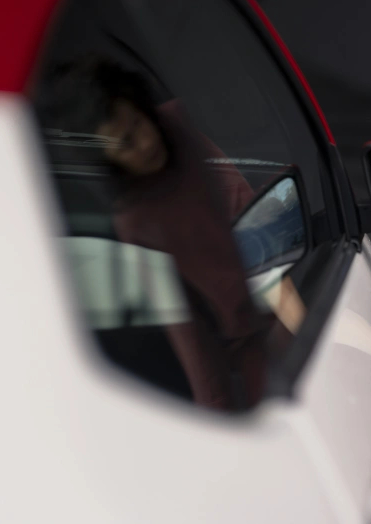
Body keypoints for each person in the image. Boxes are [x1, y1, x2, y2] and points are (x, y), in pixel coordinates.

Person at [37, 55, 300, 410]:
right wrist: (214, 410)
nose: (145, 142)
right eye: (126, 142)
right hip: (248, 343)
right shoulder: (134, 220)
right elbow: (186, 328)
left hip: (285, 290)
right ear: (107, 159)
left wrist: (293, 315)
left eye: (138, 122)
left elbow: (248, 216)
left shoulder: (177, 124)